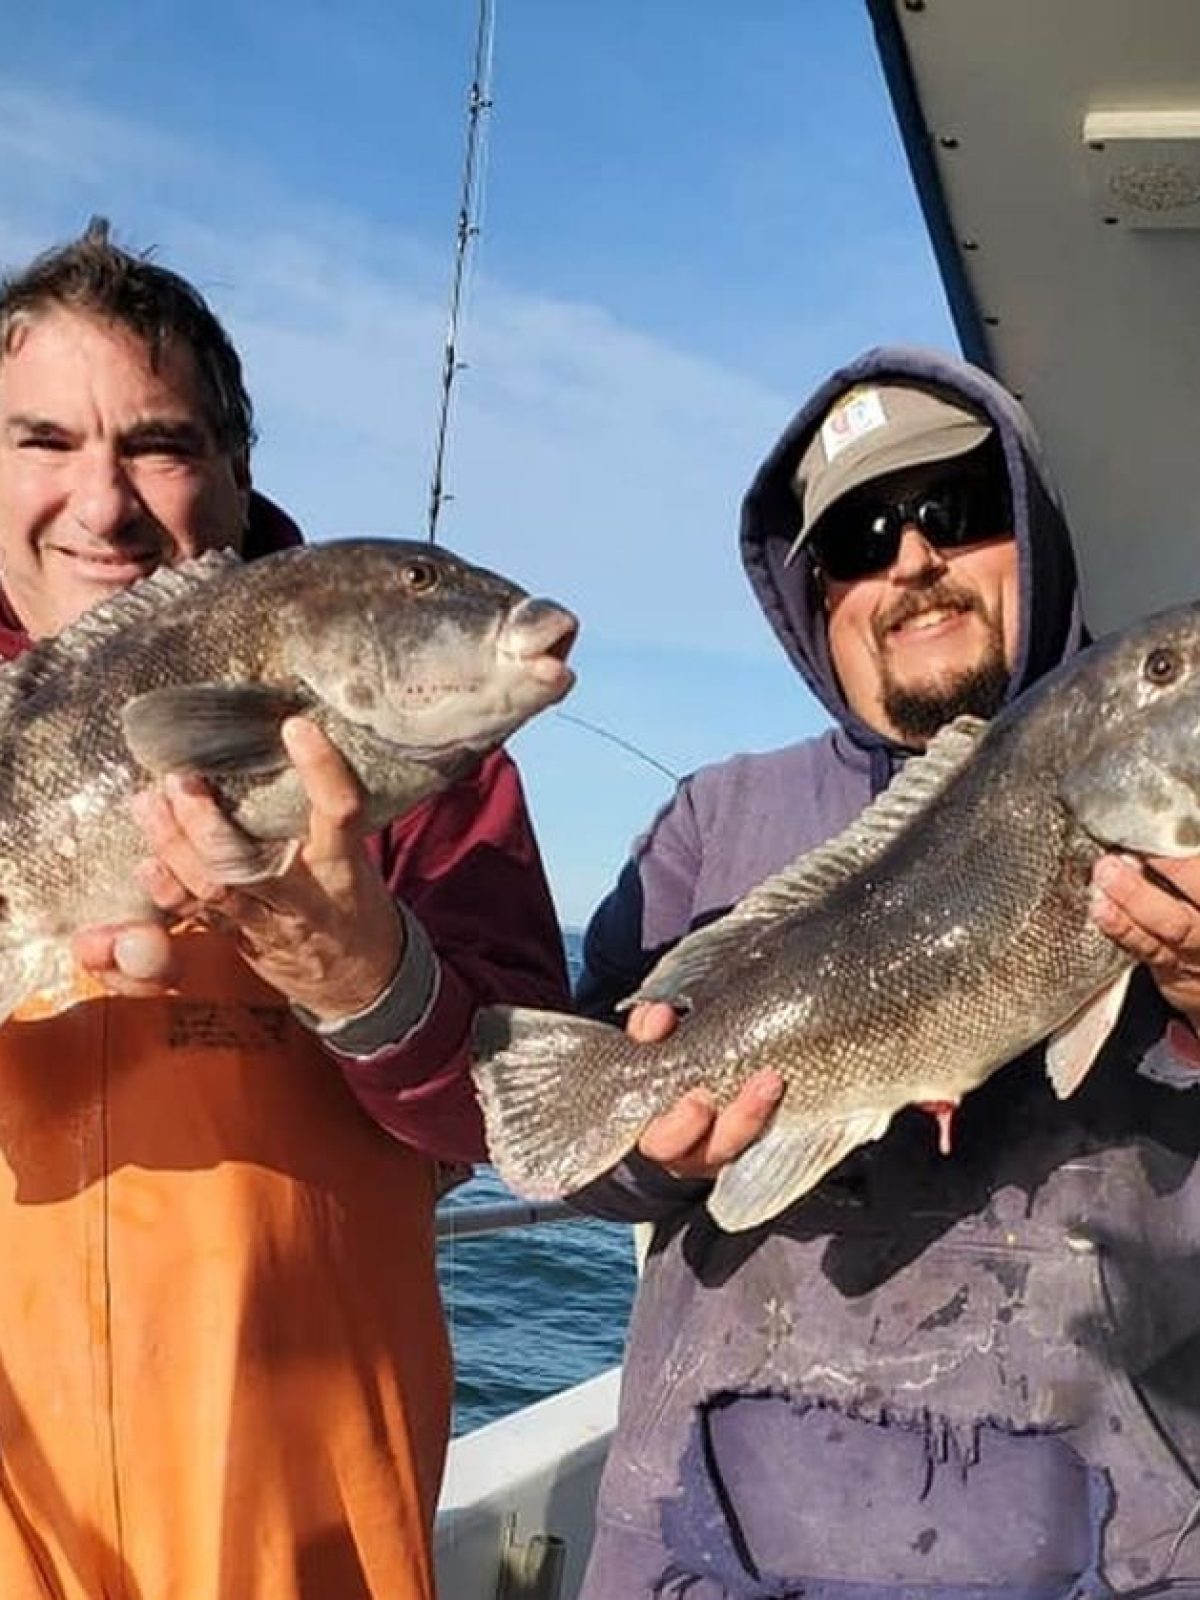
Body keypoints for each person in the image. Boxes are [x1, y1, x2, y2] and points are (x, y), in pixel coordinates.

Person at [0, 219, 570, 1600]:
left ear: (238, 476)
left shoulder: (435, 772)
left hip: (307, 1533)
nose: (102, 503)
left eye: (158, 445)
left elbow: (523, 1116)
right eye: (43, 443)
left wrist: (368, 976)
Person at [573, 346, 1200, 1599]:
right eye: (858, 537)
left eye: (956, 511)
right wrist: (661, 1146)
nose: (911, 560)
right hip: (707, 1552)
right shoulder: (713, 819)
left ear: (1033, 531)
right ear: (815, 599)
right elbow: (585, 1137)